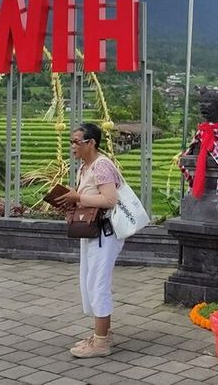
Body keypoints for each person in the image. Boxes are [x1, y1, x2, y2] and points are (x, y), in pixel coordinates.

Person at [53, 122, 124, 358]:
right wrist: (70, 200)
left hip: (105, 233)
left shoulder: (101, 166)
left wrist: (78, 196)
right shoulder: (85, 167)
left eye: (77, 141)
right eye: (71, 141)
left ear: (91, 143)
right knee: (91, 281)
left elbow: (110, 200)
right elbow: (88, 198)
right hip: (92, 232)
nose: (72, 146)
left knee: (98, 284)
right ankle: (102, 334)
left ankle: (102, 342)